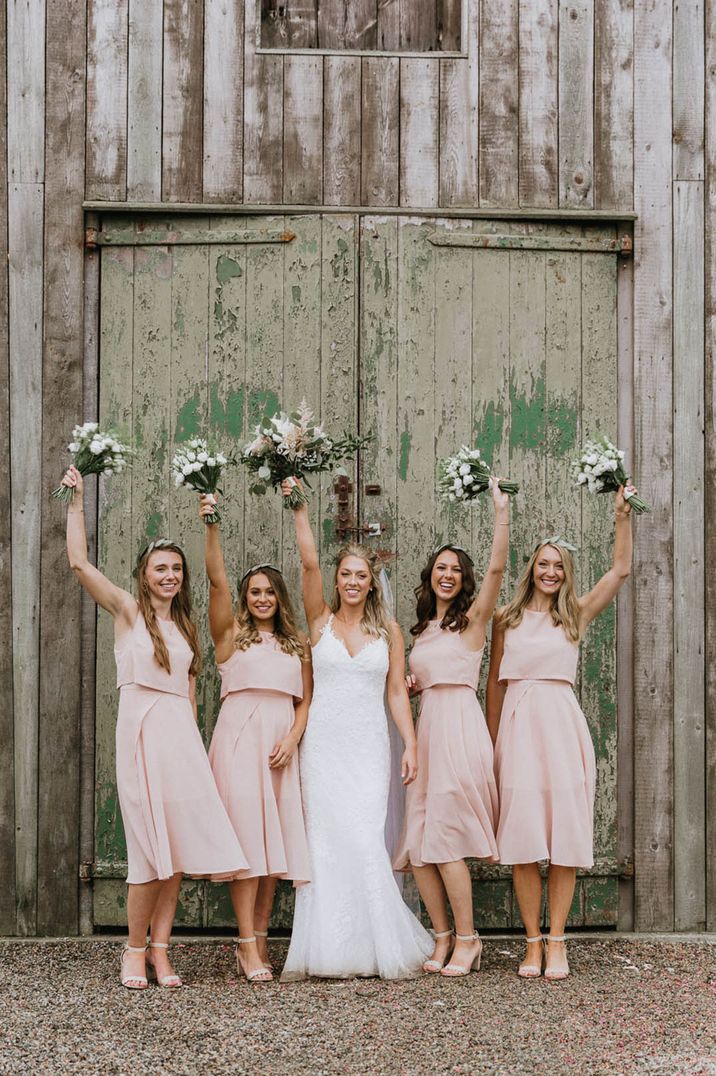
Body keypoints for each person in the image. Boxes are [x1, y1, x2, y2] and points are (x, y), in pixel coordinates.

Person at [62, 465, 247, 990]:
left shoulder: (184, 626)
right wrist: (76, 502)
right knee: (147, 849)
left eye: (175, 569)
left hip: (180, 741)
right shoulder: (127, 613)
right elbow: (78, 563)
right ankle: (133, 949)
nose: (169, 576)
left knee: (179, 849)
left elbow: (188, 694)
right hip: (142, 736)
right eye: (160, 568)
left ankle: (162, 952)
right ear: (145, 574)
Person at [279, 479, 432, 980]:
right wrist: (300, 508)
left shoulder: (386, 631)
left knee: (365, 838)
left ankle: (375, 947)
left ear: (372, 582)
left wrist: (409, 743)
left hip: (367, 747)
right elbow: (307, 564)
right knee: (326, 842)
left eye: (360, 575)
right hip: (322, 747)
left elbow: (394, 693)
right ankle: (328, 950)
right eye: (345, 573)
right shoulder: (319, 621)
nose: (351, 581)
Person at [486, 487, 635, 981]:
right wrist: (491, 744)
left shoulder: (574, 615)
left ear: (566, 574)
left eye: (559, 566)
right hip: (518, 728)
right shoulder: (506, 619)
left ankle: (557, 941)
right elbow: (494, 683)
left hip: (562, 728)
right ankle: (531, 942)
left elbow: (619, 572)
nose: (551, 572)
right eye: (544, 564)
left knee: (564, 836)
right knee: (525, 838)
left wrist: (620, 516)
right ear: (532, 567)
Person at [394, 480, 509, 976]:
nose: (448, 575)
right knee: (419, 844)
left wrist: (500, 512)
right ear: (430, 576)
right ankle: (441, 938)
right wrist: (411, 682)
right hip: (425, 733)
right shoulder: (420, 629)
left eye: (455, 570)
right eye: (441, 568)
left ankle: (469, 939)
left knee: (446, 838)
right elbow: (419, 676)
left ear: (463, 580)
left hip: (459, 730)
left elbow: (497, 570)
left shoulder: (474, 622)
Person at [199, 494, 312, 984]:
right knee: (248, 846)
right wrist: (212, 526)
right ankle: (247, 943)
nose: (261, 598)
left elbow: (308, 700)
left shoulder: (297, 644)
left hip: (279, 748)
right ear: (245, 597)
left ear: (278, 597)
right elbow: (216, 581)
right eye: (254, 592)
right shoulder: (230, 638)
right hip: (240, 742)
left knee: (272, 852)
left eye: (269, 592)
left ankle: (261, 939)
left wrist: (293, 737)